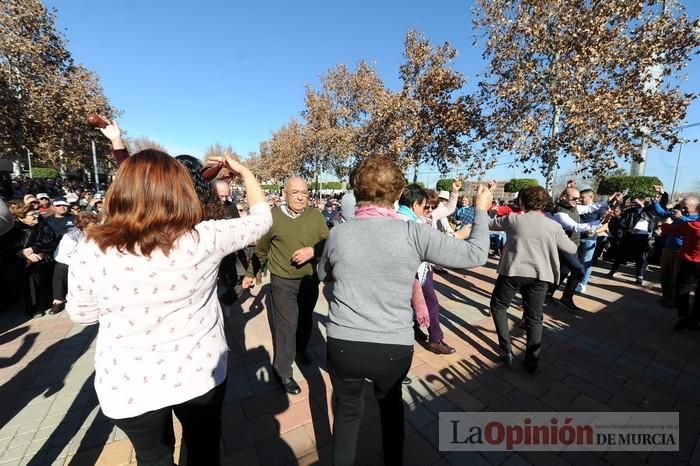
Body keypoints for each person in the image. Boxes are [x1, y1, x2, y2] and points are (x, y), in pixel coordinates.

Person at [66, 149, 271, 466]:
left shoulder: (92, 246)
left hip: (128, 384)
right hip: (199, 374)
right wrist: (244, 172)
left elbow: (81, 314)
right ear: (180, 190)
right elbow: (261, 220)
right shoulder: (204, 238)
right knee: (203, 450)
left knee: (153, 458)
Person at [318, 156, 492, 466]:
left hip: (343, 342)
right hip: (392, 346)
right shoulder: (414, 233)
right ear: (398, 194)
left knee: (346, 413)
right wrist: (481, 209)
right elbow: (477, 253)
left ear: (355, 191)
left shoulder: (338, 233)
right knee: (391, 408)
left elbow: (323, 273)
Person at [242, 176, 329, 395]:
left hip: (309, 279)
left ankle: (301, 349)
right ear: (285, 193)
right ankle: (282, 371)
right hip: (283, 281)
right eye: (295, 193)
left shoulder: (315, 216)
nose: (301, 197)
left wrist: (313, 251)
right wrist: (252, 273)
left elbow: (328, 243)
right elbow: (261, 250)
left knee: (305, 319)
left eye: (305, 193)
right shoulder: (273, 217)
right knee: (286, 326)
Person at [489, 186, 578, 373]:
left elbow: (489, 224)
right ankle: (532, 361)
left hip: (512, 272)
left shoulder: (513, 219)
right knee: (534, 318)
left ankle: (506, 350)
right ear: (545, 203)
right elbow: (571, 248)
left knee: (498, 306)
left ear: (522, 201)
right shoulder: (553, 226)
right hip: (540, 275)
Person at [650, 186, 699, 307]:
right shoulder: (678, 213)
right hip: (668, 248)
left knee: (676, 277)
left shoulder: (695, 219)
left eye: (685, 207)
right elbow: (661, 213)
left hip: (681, 251)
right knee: (665, 274)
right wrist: (655, 202)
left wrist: (681, 218)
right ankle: (666, 296)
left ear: (695, 208)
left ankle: (675, 301)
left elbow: (693, 226)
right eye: (681, 206)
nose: (681, 209)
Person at [5, 202, 58, 316]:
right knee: (31, 273)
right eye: (32, 214)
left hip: (44, 255)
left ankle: (54, 300)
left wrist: (34, 250)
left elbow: (50, 241)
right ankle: (33, 307)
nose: (36, 216)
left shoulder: (43, 225)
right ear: (21, 218)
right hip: (20, 260)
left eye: (35, 213)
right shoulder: (14, 230)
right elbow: (10, 248)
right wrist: (25, 255)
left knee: (49, 267)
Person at [49, 211, 97, 315]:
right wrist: (80, 264)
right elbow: (61, 256)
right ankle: (58, 299)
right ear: (82, 226)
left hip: (95, 260)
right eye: (90, 226)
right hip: (75, 261)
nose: (95, 228)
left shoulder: (100, 233)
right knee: (60, 268)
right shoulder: (71, 236)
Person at [607, 195, 660, 285]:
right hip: (629, 235)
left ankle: (639, 277)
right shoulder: (629, 211)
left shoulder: (648, 211)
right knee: (620, 254)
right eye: (633, 202)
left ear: (642, 201)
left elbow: (660, 210)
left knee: (640, 258)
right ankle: (613, 271)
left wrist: (655, 200)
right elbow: (621, 222)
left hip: (643, 237)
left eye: (636, 202)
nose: (633, 204)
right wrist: (627, 228)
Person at [661, 219, 700, 331]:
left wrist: (666, 222)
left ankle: (683, 318)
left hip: (689, 263)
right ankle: (695, 320)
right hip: (691, 263)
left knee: (682, 290)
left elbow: (668, 229)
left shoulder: (691, 225)